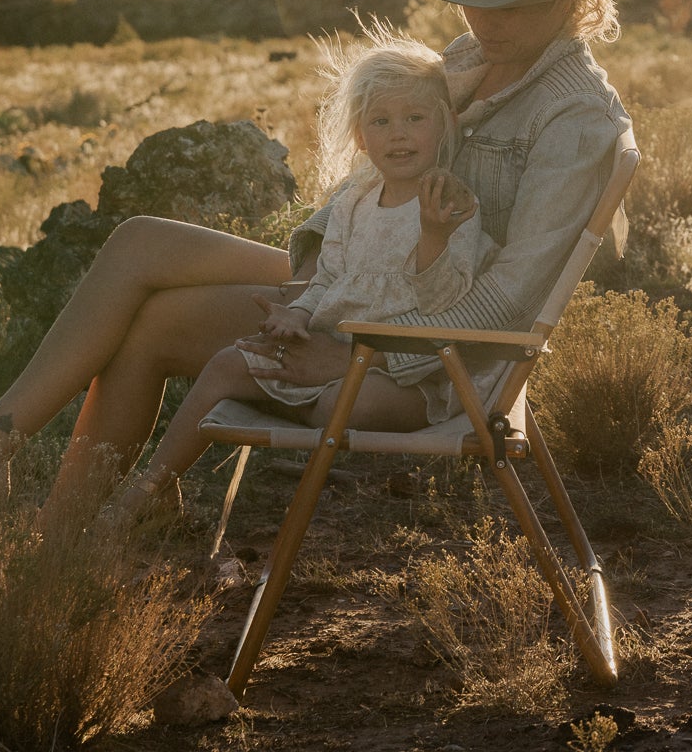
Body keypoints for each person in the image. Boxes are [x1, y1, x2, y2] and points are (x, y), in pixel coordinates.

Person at [0, 0, 647, 531]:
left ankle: (59, 540)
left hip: (425, 342)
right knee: (139, 241)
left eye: (515, 3)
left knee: (152, 328)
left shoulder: (574, 118)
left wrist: (360, 350)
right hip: (364, 280)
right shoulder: (474, 54)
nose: (487, 20)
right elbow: (375, 180)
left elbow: (510, 301)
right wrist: (314, 283)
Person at [98, 36, 488, 525]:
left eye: (415, 118)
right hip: (326, 352)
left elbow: (444, 302)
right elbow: (327, 278)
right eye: (380, 121)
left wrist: (433, 236)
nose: (398, 135)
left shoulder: (450, 203)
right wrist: (298, 313)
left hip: (402, 376)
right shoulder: (354, 203)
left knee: (350, 404)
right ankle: (150, 489)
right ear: (360, 137)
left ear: (445, 124)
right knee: (225, 363)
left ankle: (294, 399)